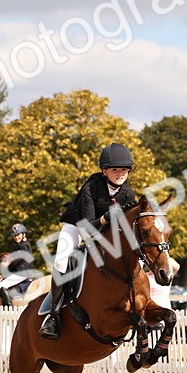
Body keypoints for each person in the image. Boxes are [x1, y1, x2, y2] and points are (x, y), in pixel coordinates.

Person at [40, 142, 137, 339]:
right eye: (115, 170)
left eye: (124, 170)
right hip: (77, 226)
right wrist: (106, 218)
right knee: (61, 259)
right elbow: (87, 226)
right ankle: (53, 315)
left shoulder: (128, 193)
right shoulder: (91, 188)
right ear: (104, 171)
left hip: (106, 231)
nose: (120, 174)